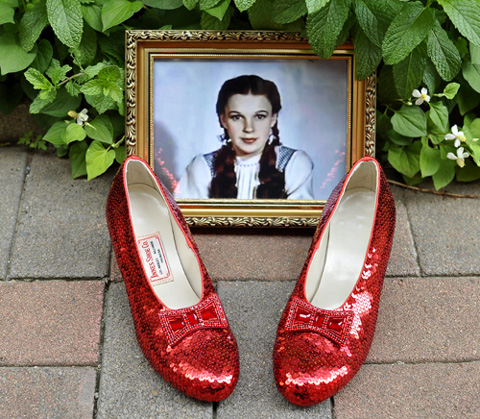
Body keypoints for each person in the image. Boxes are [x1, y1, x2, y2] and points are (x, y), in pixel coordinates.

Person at [174, 75, 314, 200]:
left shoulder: (293, 164)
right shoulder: (203, 167)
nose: (249, 128)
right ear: (223, 120)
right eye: (237, 117)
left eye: (259, 117)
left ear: (273, 119)